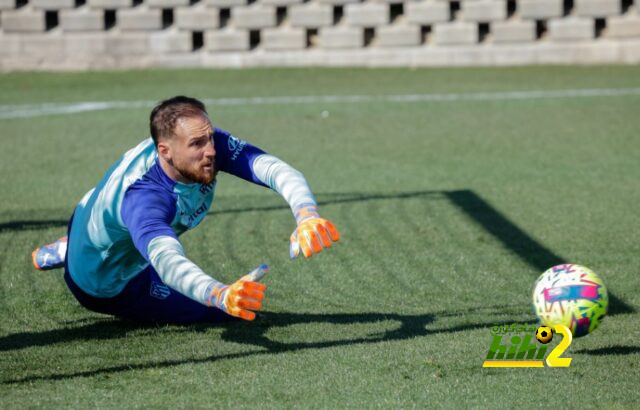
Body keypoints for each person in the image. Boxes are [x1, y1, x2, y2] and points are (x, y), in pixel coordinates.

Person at [31, 96, 340, 324]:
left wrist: (306, 214)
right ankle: (74, 255)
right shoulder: (145, 200)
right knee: (216, 313)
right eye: (197, 144)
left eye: (209, 137)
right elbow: (168, 262)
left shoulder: (201, 146)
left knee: (121, 235)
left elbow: (272, 169)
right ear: (164, 151)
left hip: (90, 213)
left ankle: (73, 245)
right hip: (106, 282)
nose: (211, 151)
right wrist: (218, 294)